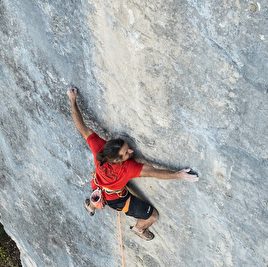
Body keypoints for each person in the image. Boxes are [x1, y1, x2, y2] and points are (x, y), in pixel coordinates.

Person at [67, 87, 199, 241]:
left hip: (98, 185)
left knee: (101, 190)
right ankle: (139, 229)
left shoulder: (99, 149)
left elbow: (81, 127)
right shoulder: (128, 168)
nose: (130, 151)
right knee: (153, 216)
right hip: (117, 199)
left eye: (126, 147)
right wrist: (178, 175)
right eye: (126, 153)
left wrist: (72, 100)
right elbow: (154, 173)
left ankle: (91, 204)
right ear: (116, 160)